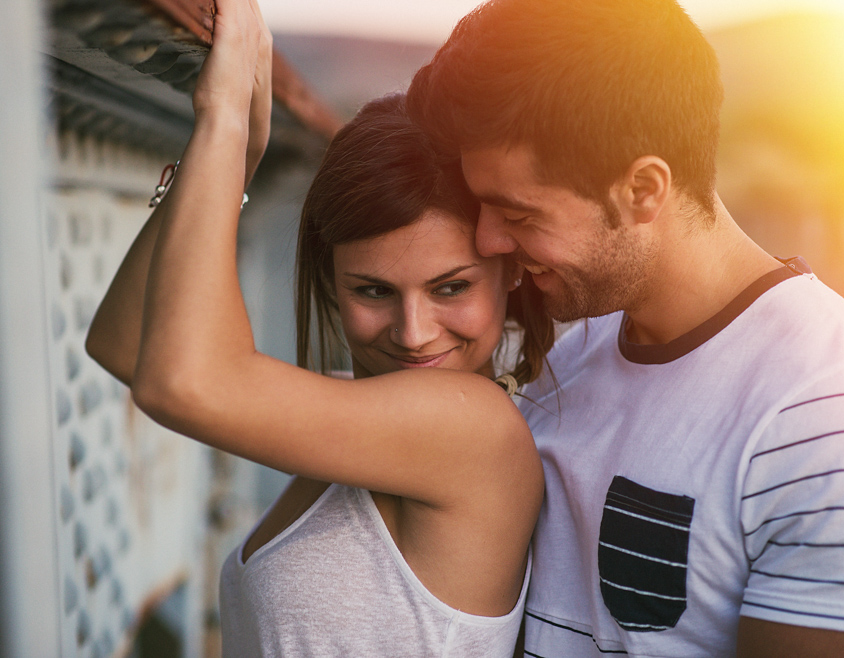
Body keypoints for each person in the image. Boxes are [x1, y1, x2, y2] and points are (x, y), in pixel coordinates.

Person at [85, 0, 555, 655]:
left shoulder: (473, 429)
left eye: (451, 287)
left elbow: (178, 386)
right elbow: (126, 344)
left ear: (507, 272)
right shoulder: (353, 412)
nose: (415, 332)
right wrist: (236, 159)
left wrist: (221, 120)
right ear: (331, 282)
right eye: (372, 290)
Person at [405, 0, 844, 656]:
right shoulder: (576, 352)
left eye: (519, 213)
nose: (489, 239)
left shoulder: (826, 414)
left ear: (644, 190)